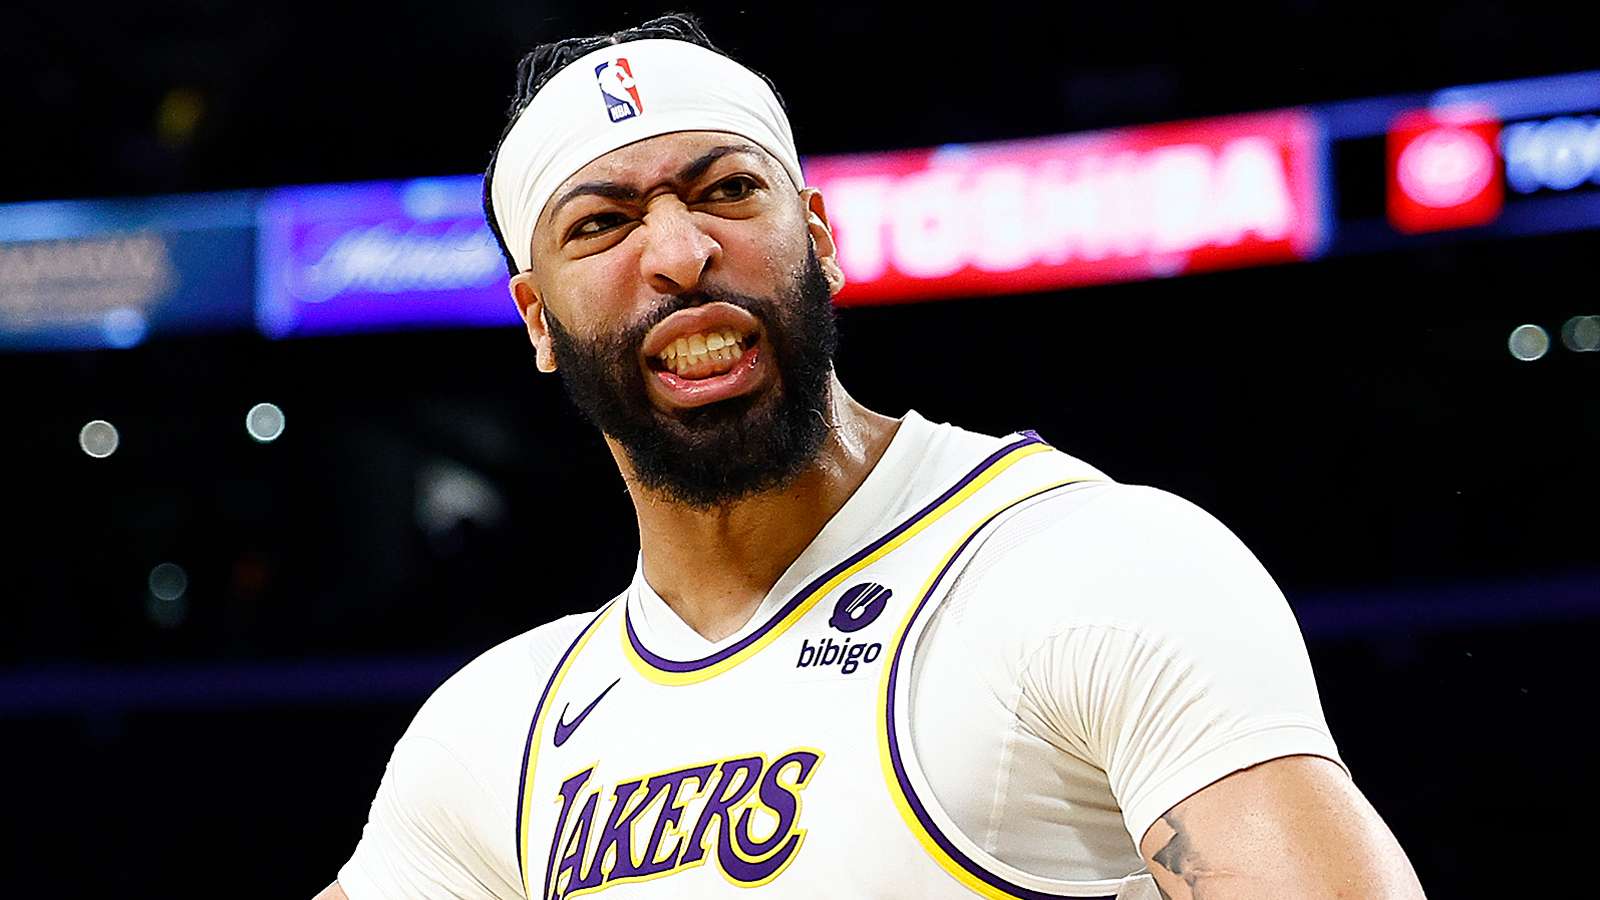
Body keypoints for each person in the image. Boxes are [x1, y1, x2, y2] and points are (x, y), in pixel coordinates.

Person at [319, 13, 1426, 900]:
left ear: (820, 238)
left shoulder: (1086, 566)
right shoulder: (493, 738)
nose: (682, 254)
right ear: (538, 320)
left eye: (726, 191)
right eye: (601, 224)